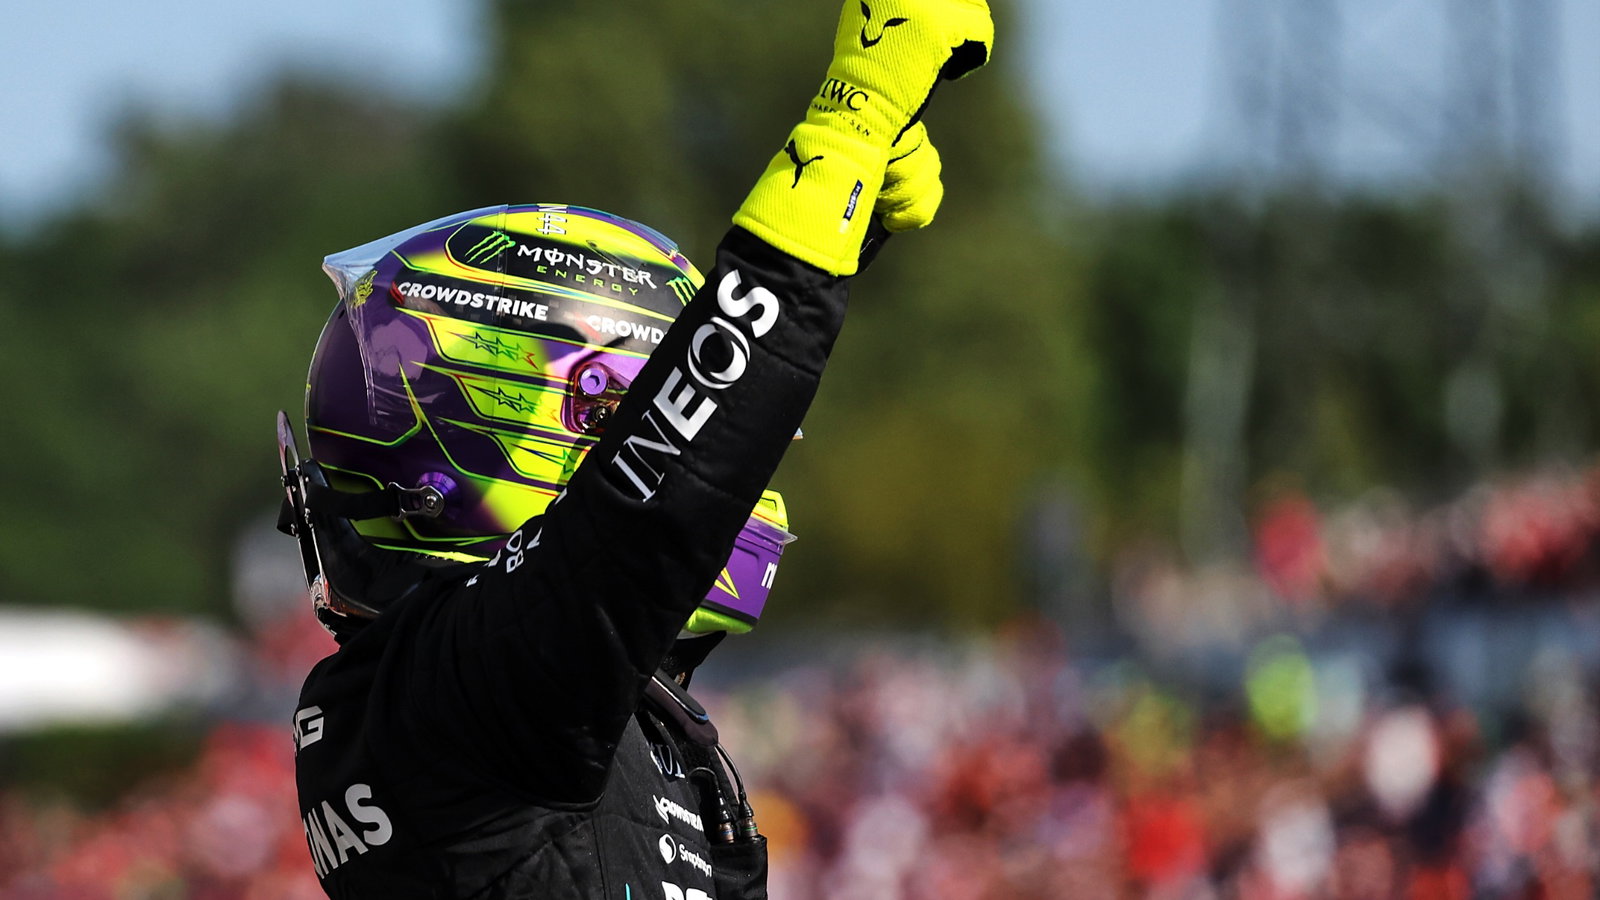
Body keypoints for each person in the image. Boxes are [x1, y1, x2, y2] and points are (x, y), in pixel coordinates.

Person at [275, 1, 992, 896]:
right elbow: (663, 499)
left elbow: (681, 472)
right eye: (636, 403)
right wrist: (846, 128)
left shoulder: (468, 695)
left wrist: (846, 231)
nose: (761, 482)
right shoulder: (463, 690)